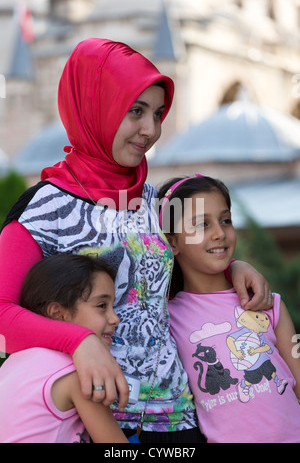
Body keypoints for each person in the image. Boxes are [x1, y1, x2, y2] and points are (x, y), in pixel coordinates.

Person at [0, 38, 272, 443]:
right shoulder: (42, 209)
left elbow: (185, 266)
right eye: (136, 111)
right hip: (95, 420)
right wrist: (79, 341)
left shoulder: (155, 201)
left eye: (158, 113)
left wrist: (234, 268)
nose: (151, 130)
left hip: (180, 415)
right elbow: (3, 317)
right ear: (96, 106)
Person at [158, 174, 300, 443]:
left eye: (225, 220)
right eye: (202, 224)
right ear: (172, 241)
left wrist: (237, 264)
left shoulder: (265, 302)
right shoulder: (165, 318)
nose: (219, 233)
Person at [0, 254, 130, 443]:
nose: (115, 318)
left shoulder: (12, 364)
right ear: (57, 312)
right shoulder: (79, 371)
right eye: (102, 305)